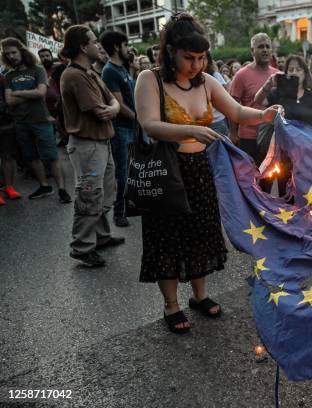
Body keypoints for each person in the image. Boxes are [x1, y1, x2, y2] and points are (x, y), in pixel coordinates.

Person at [134, 14, 281, 334]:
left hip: (201, 170)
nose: (195, 65)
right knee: (167, 239)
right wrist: (190, 131)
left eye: (201, 58)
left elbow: (238, 111)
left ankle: (199, 295)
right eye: (189, 58)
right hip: (167, 170)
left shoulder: (207, 81)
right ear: (170, 51)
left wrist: (266, 114)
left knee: (201, 234)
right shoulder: (150, 79)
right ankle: (171, 304)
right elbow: (148, 124)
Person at [60, 25, 124, 267]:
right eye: (94, 41)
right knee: (89, 195)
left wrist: (113, 108)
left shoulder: (91, 72)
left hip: (100, 143)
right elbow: (101, 111)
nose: (98, 46)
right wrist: (112, 109)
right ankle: (81, 247)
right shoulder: (74, 75)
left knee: (105, 192)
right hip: (87, 145)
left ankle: (101, 237)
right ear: (82, 47)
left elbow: (113, 103)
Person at [1, 37, 71, 203]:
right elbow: (9, 101)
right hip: (21, 122)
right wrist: (29, 93)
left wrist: (17, 93)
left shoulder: (37, 69)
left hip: (40, 120)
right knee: (31, 157)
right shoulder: (9, 75)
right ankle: (44, 186)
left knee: (52, 156)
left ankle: (62, 189)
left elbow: (41, 93)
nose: (11, 56)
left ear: (22, 52)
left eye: (14, 52)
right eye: (7, 54)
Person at [256, 54, 312, 196]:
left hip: (305, 152)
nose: (294, 72)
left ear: (305, 73)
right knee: (279, 189)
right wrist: (269, 84)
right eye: (290, 69)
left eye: (298, 69)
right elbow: (259, 101)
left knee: (302, 191)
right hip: (282, 151)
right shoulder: (278, 93)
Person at [100, 30, 137, 228]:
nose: (128, 48)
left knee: (132, 170)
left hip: (131, 127)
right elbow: (119, 105)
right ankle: (119, 212)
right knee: (122, 173)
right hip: (122, 129)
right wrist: (139, 119)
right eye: (125, 45)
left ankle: (132, 204)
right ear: (116, 47)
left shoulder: (122, 68)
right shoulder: (109, 71)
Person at [229, 33, 278, 160]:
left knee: (268, 177)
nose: (265, 50)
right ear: (252, 51)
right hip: (247, 137)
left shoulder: (277, 75)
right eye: (261, 47)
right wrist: (233, 133)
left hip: (271, 136)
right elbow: (232, 107)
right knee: (249, 178)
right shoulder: (241, 75)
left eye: (268, 47)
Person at [0, 71, 21, 205]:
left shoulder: (2, 78)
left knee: (7, 156)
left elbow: (9, 99)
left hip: (5, 122)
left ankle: (9, 187)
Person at [204, 50, 230, 136]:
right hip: (199, 125)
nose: (196, 63)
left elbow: (226, 95)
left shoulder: (215, 75)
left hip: (217, 122)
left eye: (202, 58)